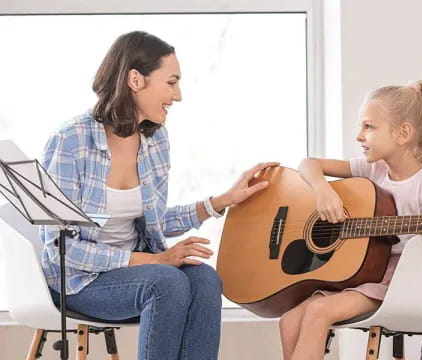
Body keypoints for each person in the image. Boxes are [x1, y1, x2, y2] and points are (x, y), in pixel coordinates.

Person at [40, 30, 278, 360]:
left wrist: (219, 202)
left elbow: (151, 221)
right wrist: (153, 260)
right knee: (166, 282)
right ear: (135, 80)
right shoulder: (71, 141)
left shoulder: (155, 141)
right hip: (79, 281)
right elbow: (60, 247)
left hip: (138, 271)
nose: (177, 95)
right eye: (171, 82)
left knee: (205, 280)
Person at [279, 80, 422, 360]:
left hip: (397, 285)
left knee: (318, 311)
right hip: (360, 276)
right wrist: (323, 192)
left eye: (368, 127)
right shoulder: (373, 169)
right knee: (288, 320)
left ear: (403, 133)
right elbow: (307, 164)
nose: (359, 135)